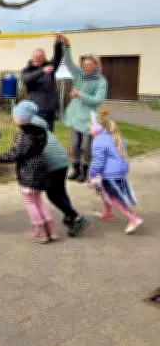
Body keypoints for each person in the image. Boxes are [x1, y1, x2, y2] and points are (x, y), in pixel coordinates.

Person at [0, 101, 57, 243]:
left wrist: (0, 158)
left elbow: (18, 153)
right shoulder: (41, 131)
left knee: (30, 201)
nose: (13, 118)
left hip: (30, 171)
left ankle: (40, 232)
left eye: (15, 115)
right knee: (38, 200)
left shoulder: (26, 134)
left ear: (21, 117)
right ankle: (51, 230)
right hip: (40, 168)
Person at [30, 115, 90, 237]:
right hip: (63, 163)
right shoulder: (48, 133)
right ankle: (69, 215)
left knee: (52, 194)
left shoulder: (35, 136)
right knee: (61, 191)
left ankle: (76, 218)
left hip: (54, 166)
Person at [88, 109, 143, 234]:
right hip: (119, 172)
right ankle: (107, 213)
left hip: (110, 174)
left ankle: (133, 218)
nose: (89, 129)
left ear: (96, 128)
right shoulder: (115, 137)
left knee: (114, 197)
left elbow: (98, 163)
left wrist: (91, 175)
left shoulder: (98, 141)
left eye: (90, 127)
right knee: (102, 189)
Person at [61, 39, 108, 182]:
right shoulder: (79, 75)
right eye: (84, 64)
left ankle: (85, 170)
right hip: (75, 117)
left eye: (88, 64)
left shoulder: (101, 81)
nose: (84, 66)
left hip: (88, 119)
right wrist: (67, 45)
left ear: (96, 65)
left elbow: (98, 100)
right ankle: (75, 169)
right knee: (75, 144)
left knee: (86, 146)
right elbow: (68, 62)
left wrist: (80, 94)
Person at [21, 35, 65, 131]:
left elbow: (57, 57)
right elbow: (26, 79)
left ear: (44, 58)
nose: (37, 58)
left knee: (49, 134)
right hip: (37, 109)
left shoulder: (50, 67)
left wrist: (57, 43)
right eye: (35, 57)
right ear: (32, 58)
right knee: (38, 134)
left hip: (50, 109)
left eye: (40, 57)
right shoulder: (27, 70)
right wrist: (42, 71)